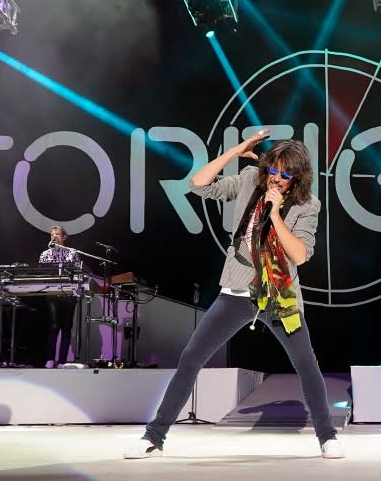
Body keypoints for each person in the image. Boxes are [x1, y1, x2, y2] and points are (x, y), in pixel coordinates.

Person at [124, 130, 344, 460]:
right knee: (190, 359)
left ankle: (327, 437)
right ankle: (154, 435)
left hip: (278, 296)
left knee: (306, 365)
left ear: (297, 177)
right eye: (274, 170)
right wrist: (235, 151)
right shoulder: (247, 181)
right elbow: (197, 184)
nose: (277, 179)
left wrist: (274, 214)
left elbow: (299, 255)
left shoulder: (307, 205)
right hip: (237, 291)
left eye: (285, 174)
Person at [39, 225, 80, 369]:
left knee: (66, 327)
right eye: (52, 234)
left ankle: (62, 360)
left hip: (68, 293)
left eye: (57, 234)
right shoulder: (45, 254)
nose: (54, 236)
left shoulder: (72, 253)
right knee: (54, 325)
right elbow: (42, 274)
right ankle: (50, 358)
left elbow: (76, 273)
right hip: (52, 292)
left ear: (64, 237)